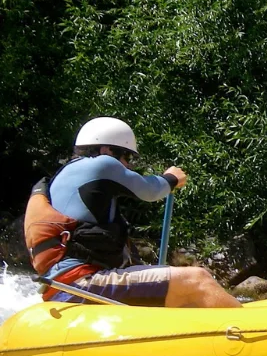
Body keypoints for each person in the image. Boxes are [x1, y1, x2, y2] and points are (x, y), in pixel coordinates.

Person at [23, 117, 241, 307]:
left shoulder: (65, 176)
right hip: (80, 281)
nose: (127, 165)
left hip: (64, 283)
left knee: (178, 287)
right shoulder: (102, 164)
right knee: (198, 279)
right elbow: (149, 190)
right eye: (126, 157)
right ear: (107, 150)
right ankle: (248, 333)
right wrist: (171, 178)